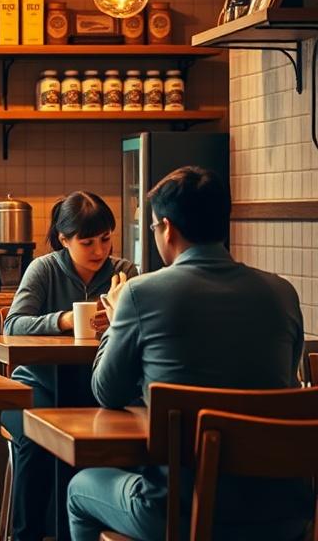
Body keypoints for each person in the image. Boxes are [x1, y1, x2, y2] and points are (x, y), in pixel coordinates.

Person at [68, 166, 310, 541]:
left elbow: (107, 392)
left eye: (152, 228)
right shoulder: (282, 293)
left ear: (167, 228)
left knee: (80, 488)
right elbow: (286, 380)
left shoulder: (140, 294)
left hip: (177, 512)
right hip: (283, 513)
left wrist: (117, 321)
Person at [1, 191, 137, 541]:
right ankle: (26, 536)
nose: (99, 251)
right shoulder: (44, 268)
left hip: (97, 390)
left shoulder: (124, 272)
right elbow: (13, 324)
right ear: (64, 240)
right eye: (87, 242)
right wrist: (64, 320)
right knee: (37, 435)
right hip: (34, 385)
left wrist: (121, 319)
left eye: (105, 239)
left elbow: (140, 331)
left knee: (124, 437)